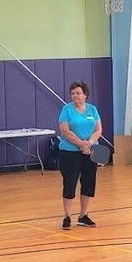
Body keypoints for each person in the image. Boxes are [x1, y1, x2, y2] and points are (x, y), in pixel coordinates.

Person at [57, 81, 103, 229]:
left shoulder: (92, 109)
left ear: (85, 95)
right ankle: (67, 216)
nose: (75, 96)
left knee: (89, 183)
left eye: (78, 93)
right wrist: (80, 144)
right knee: (70, 183)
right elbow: (64, 130)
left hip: (90, 152)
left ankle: (83, 215)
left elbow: (98, 130)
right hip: (70, 153)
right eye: (72, 93)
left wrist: (89, 143)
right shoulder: (66, 110)